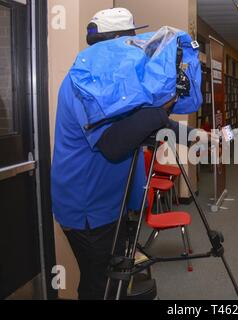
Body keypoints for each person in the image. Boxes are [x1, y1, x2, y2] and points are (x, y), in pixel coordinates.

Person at [51, 8, 207, 300]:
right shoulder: (84, 83)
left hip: (114, 203)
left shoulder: (115, 83)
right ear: (117, 44)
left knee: (117, 277)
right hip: (88, 210)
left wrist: (194, 135)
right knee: (101, 284)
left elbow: (143, 121)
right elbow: (114, 144)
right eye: (132, 42)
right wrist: (162, 108)